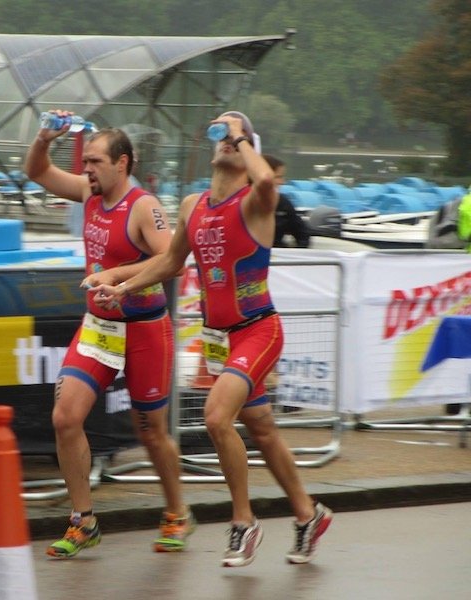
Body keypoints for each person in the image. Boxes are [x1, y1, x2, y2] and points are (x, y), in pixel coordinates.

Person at [92, 111, 332, 567]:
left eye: (235, 132)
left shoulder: (255, 201)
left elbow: (267, 182)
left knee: (216, 417)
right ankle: (308, 514)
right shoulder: (192, 206)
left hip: (260, 330)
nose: (225, 137)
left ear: (246, 149)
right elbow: (169, 263)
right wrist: (121, 287)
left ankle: (243, 523)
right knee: (261, 429)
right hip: (221, 338)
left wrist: (241, 137)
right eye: (220, 130)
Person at [23, 110, 195, 558]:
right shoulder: (89, 193)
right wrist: (44, 138)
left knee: (151, 431)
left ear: (124, 163)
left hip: (144, 327)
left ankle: (177, 512)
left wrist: (119, 276)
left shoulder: (144, 207)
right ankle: (84, 521)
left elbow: (173, 260)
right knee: (65, 417)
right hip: (99, 326)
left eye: (96, 162)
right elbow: (37, 172)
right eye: (85, 163)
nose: (87, 170)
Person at [264, 154, 310, 248]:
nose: (282, 182)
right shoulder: (241, 202)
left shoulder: (283, 203)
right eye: (278, 177)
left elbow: (302, 233)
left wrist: (297, 254)